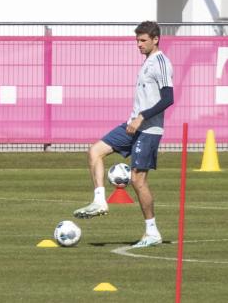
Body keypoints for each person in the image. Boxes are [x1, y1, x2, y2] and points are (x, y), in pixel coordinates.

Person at [73, 21, 174, 248]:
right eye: (137, 40)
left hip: (148, 129)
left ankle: (152, 232)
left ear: (155, 39)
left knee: (138, 180)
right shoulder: (147, 62)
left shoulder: (161, 62)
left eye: (143, 40)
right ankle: (99, 201)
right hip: (132, 125)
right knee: (95, 152)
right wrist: (135, 119)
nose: (138, 44)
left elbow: (168, 98)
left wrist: (142, 117)